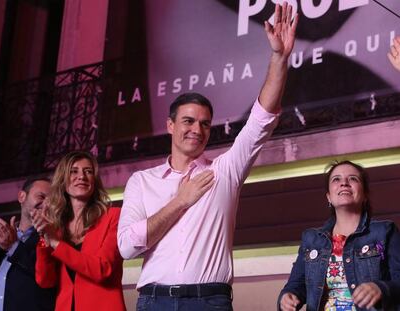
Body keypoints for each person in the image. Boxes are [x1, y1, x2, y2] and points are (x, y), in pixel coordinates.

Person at [117, 2, 298, 310]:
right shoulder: (141, 181)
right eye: (188, 121)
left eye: (204, 123)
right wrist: (180, 201)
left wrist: (279, 58)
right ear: (170, 125)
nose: (197, 130)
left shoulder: (225, 171)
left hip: (209, 301)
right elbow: (126, 247)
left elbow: (262, 118)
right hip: (153, 301)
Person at [278, 161, 400, 311]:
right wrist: (286, 297)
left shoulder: (385, 232)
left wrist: (381, 288)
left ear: (365, 195)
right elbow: (295, 286)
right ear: (328, 197)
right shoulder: (311, 240)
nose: (344, 183)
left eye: (353, 179)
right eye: (336, 179)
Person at [32, 151, 126, 311]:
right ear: (63, 179)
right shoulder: (57, 225)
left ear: (94, 180)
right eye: (73, 171)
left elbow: (102, 270)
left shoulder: (113, 216)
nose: (81, 176)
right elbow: (45, 280)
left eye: (88, 171)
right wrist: (45, 236)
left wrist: (56, 242)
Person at [0, 177, 56, 311]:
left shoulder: (51, 239)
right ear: (22, 196)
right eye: (41, 196)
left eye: (52, 201)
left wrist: (13, 247)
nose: (46, 204)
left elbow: (46, 282)